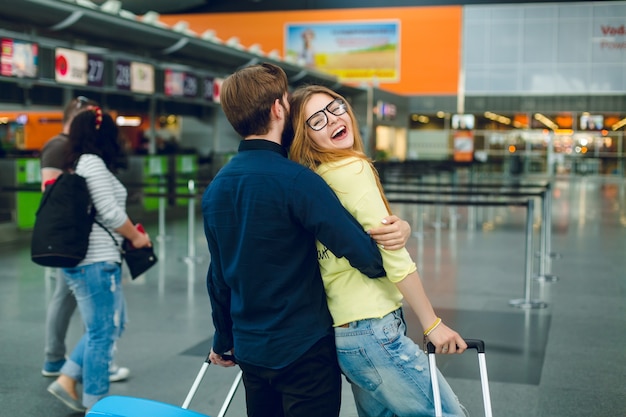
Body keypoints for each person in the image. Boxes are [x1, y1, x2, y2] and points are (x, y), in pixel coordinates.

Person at [202, 63, 409, 417]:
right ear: (279, 109)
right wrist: (396, 232)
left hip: (251, 350)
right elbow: (367, 257)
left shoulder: (216, 188)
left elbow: (218, 276)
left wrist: (224, 340)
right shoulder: (298, 181)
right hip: (305, 350)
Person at [288, 85, 469, 417]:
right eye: (316, 120)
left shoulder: (315, 179)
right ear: (306, 137)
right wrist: (431, 323)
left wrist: (402, 226)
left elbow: (373, 235)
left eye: (335, 107)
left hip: (347, 337)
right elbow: (393, 256)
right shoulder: (352, 170)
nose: (332, 120)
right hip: (375, 332)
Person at [46, 108, 152, 413]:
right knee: (102, 333)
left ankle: (67, 379)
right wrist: (136, 237)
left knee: (110, 326)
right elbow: (111, 212)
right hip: (96, 262)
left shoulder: (79, 163)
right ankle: (96, 403)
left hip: (91, 261)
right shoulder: (92, 163)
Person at [39, 96, 129, 383]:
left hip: (83, 247)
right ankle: (62, 365)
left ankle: (69, 368)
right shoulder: (63, 149)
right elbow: (54, 196)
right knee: (100, 323)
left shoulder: (80, 155)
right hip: (80, 247)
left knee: (104, 320)